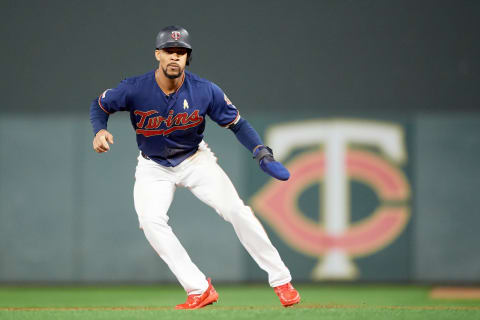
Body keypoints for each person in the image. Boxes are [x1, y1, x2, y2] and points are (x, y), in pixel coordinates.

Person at [89, 25, 300, 309]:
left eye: (181, 52)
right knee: (150, 221)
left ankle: (282, 280)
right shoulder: (134, 88)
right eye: (169, 51)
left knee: (237, 210)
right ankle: (198, 288)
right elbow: (100, 105)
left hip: (194, 159)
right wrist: (99, 130)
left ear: (188, 57)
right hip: (153, 167)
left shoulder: (204, 91)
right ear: (158, 54)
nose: (175, 57)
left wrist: (261, 151)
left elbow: (237, 124)